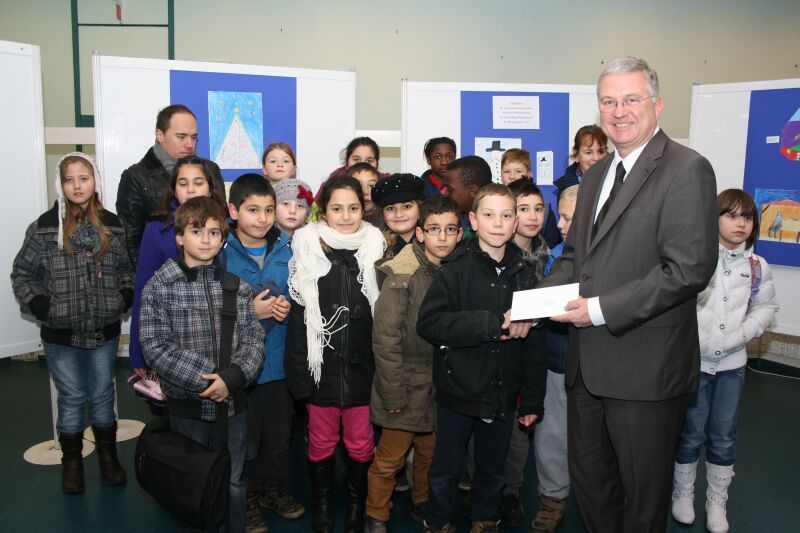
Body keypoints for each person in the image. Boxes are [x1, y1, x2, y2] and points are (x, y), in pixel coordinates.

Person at [538, 56, 719, 532]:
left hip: (646, 373)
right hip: (586, 371)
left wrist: (597, 310)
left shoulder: (687, 169)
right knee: (592, 490)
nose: (619, 111)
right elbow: (577, 259)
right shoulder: (595, 175)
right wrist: (534, 305)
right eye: (609, 101)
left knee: (642, 501)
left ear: (657, 104)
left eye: (631, 99)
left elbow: (687, 269)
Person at [417, 184, 547, 533]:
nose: (498, 223)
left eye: (507, 215)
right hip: (457, 391)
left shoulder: (527, 273)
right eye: (488, 215)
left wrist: (532, 398)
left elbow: (536, 345)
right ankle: (438, 519)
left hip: (502, 392)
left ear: (517, 220)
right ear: (473, 219)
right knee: (446, 465)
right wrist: (491, 323)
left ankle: (485, 519)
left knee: (493, 466)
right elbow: (429, 323)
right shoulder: (455, 268)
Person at [140, 196, 265, 533]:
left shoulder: (236, 288)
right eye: (197, 231)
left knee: (235, 481)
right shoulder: (159, 288)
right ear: (180, 236)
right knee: (191, 483)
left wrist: (234, 377)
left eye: (214, 232)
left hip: (234, 407)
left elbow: (254, 338)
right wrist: (210, 381)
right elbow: (156, 347)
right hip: (188, 410)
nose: (206, 239)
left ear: (224, 239)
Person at [12, 152, 133, 493]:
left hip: (102, 330)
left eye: (84, 177)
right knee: (71, 397)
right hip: (60, 333)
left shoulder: (112, 224)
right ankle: (73, 463)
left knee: (101, 394)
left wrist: (123, 297)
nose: (77, 185)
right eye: (70, 179)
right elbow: (22, 273)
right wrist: (39, 303)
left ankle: (108, 458)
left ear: (95, 181)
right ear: (60, 184)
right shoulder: (44, 227)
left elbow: (126, 269)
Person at [671, 189, 778, 533]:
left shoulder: (757, 266)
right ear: (713, 218)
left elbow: (766, 308)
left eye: (746, 217)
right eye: (731, 215)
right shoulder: (697, 260)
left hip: (732, 367)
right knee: (690, 434)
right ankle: (683, 493)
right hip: (694, 365)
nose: (740, 223)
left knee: (724, 436)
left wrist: (743, 333)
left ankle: (717, 502)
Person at [285, 175, 385, 533]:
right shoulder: (307, 250)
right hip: (321, 372)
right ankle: (323, 505)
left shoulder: (376, 248)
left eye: (354, 208)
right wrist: (299, 376)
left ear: (364, 209)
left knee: (361, 444)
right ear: (323, 211)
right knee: (321, 442)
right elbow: (299, 323)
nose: (345, 216)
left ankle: (356, 507)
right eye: (336, 209)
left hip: (362, 371)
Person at [365, 195, 463, 533]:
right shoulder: (403, 269)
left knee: (429, 455)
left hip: (441, 385)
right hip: (405, 385)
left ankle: (423, 503)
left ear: (461, 234)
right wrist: (392, 392)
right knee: (389, 460)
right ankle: (376, 514)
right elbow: (386, 336)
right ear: (420, 233)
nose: (442, 237)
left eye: (450, 229)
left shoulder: (458, 267)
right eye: (434, 229)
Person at [221, 174, 305, 531]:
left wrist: (289, 305)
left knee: (278, 434)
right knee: (246, 438)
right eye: (252, 210)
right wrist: (248, 312)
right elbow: (211, 309)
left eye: (269, 210)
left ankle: (273, 488)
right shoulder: (220, 253)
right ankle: (248, 497)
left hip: (281, 362)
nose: (262, 218)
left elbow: (302, 295)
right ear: (233, 211)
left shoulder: (290, 248)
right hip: (243, 367)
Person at [128, 155, 227, 379]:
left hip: (218, 334)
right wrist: (137, 351)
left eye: (198, 182)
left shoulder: (225, 226)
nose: (190, 190)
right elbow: (143, 290)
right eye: (183, 183)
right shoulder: (157, 229)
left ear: (211, 188)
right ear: (173, 190)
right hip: (169, 339)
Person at [529, 180, 580, 533]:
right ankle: (552, 498)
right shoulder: (557, 257)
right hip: (558, 358)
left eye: (566, 218)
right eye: (559, 217)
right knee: (552, 434)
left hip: (600, 364)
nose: (558, 225)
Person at [116, 104, 224, 269]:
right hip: (160, 276)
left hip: (209, 272)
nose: (189, 144)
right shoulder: (135, 177)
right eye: (181, 137)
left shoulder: (211, 169)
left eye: (194, 137)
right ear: (160, 134)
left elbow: (221, 219)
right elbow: (131, 242)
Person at [501, 149, 561, 248]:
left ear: (529, 175)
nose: (512, 176)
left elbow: (552, 247)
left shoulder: (545, 213)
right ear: (501, 175)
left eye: (518, 171)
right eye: (507, 171)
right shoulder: (495, 206)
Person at [372, 173, 426, 257]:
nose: (399, 214)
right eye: (390, 208)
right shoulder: (373, 247)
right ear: (383, 214)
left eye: (407, 206)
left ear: (420, 211)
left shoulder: (434, 243)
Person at [442, 155, 493, 241]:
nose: (444, 193)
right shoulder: (457, 218)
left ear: (473, 191)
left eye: (450, 190)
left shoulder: (494, 228)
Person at [552, 125, 608, 193]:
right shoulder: (565, 187)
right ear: (576, 154)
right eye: (588, 152)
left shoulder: (617, 180)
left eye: (601, 151)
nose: (596, 158)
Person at [347, 162, 384, 229]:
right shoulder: (343, 220)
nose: (365, 191)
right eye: (359, 185)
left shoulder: (389, 219)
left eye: (371, 185)